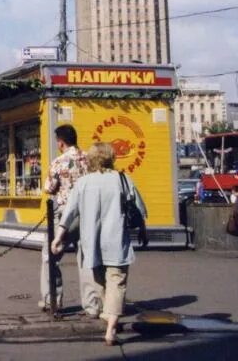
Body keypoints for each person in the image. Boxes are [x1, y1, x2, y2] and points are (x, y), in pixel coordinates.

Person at [52, 142, 147, 346]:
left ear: (91, 159)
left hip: (92, 244)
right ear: (111, 158)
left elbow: (69, 213)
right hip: (117, 241)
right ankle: (111, 322)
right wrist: (143, 231)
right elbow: (138, 209)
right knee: (117, 282)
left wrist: (58, 237)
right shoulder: (122, 179)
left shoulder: (83, 183)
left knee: (100, 282)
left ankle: (110, 320)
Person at [39, 123, 91, 314]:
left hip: (64, 216)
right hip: (87, 213)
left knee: (50, 256)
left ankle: (52, 299)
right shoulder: (90, 160)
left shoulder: (58, 162)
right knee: (86, 257)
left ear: (61, 143)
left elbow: (49, 188)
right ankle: (92, 304)